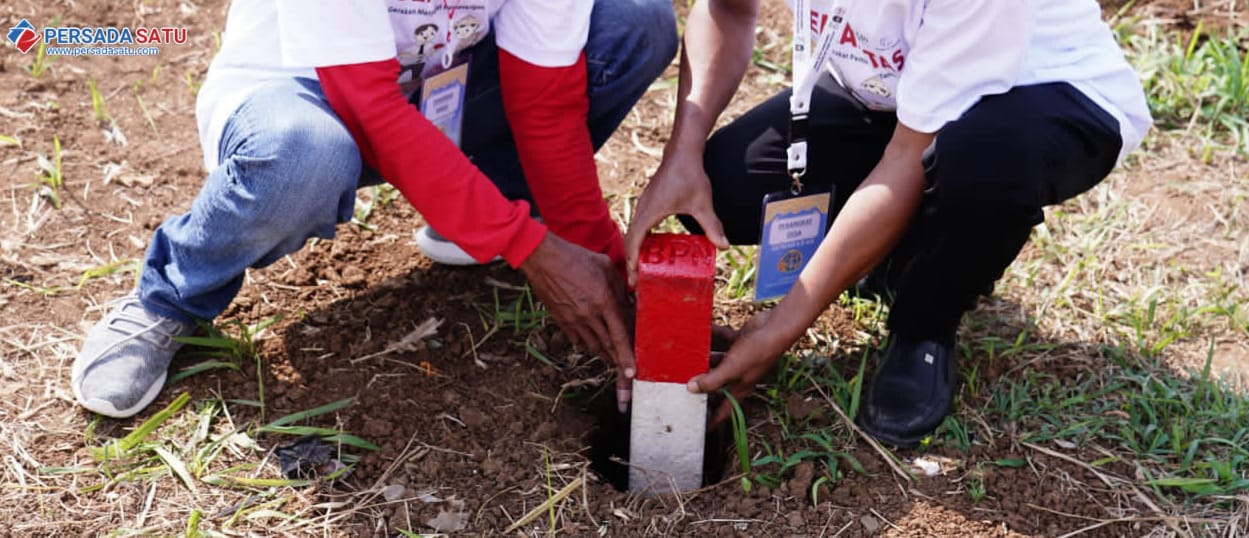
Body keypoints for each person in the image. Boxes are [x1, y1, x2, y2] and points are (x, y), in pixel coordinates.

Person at [71, 0, 677, 419]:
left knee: (633, 24)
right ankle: (170, 296)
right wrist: (527, 245)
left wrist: (611, 272)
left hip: (445, 86)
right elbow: (368, 103)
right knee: (301, 158)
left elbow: (544, 106)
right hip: (307, 100)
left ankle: (475, 210)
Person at [624, 0, 1151, 447]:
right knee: (729, 187)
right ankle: (888, 257)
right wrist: (682, 153)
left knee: (983, 165)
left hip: (1042, 97)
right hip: (892, 93)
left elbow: (906, 158)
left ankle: (924, 326)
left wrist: (782, 326)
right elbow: (726, 10)